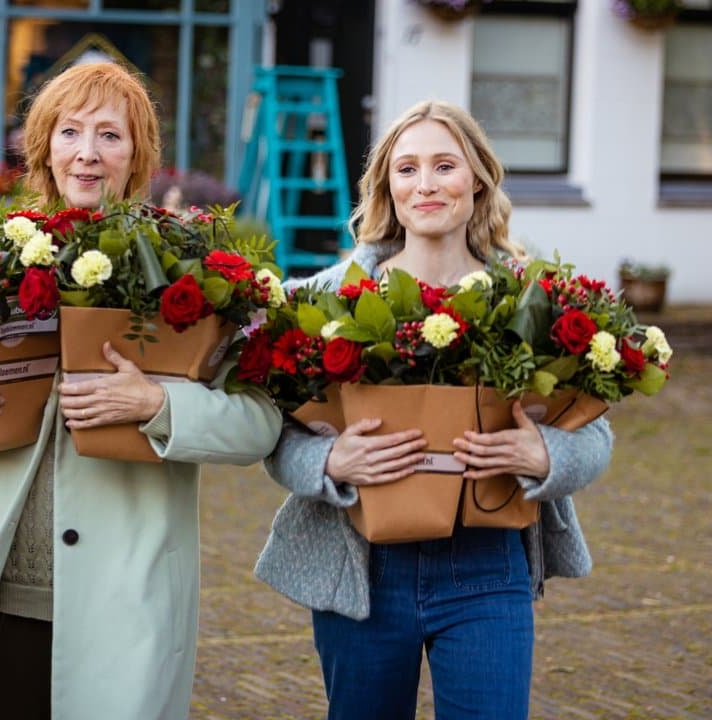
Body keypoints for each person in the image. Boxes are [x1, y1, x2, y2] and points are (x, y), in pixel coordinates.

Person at [0, 61, 282, 720]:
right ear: (44, 146)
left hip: (121, 603)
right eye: (70, 131)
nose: (88, 152)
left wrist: (157, 405)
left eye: (110, 135)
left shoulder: (185, 273)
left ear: (137, 153)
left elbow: (259, 423)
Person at [253, 100, 614, 720]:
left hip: (488, 563)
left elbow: (596, 433)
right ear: (387, 188)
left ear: (478, 180)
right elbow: (273, 431)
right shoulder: (322, 299)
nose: (425, 184)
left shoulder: (531, 301)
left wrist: (546, 454)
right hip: (363, 567)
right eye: (407, 169)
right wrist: (329, 459)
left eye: (444, 166)